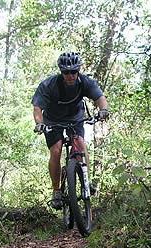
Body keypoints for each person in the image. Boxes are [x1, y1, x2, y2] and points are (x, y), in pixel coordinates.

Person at [32, 51, 109, 210]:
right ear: (61, 72)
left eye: (74, 71)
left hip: (76, 117)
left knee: (80, 143)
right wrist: (39, 124)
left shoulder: (85, 82)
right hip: (53, 120)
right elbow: (37, 108)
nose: (70, 75)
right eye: (66, 72)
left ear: (78, 70)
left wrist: (103, 110)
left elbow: (100, 98)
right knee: (56, 149)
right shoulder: (49, 85)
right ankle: (56, 191)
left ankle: (85, 182)